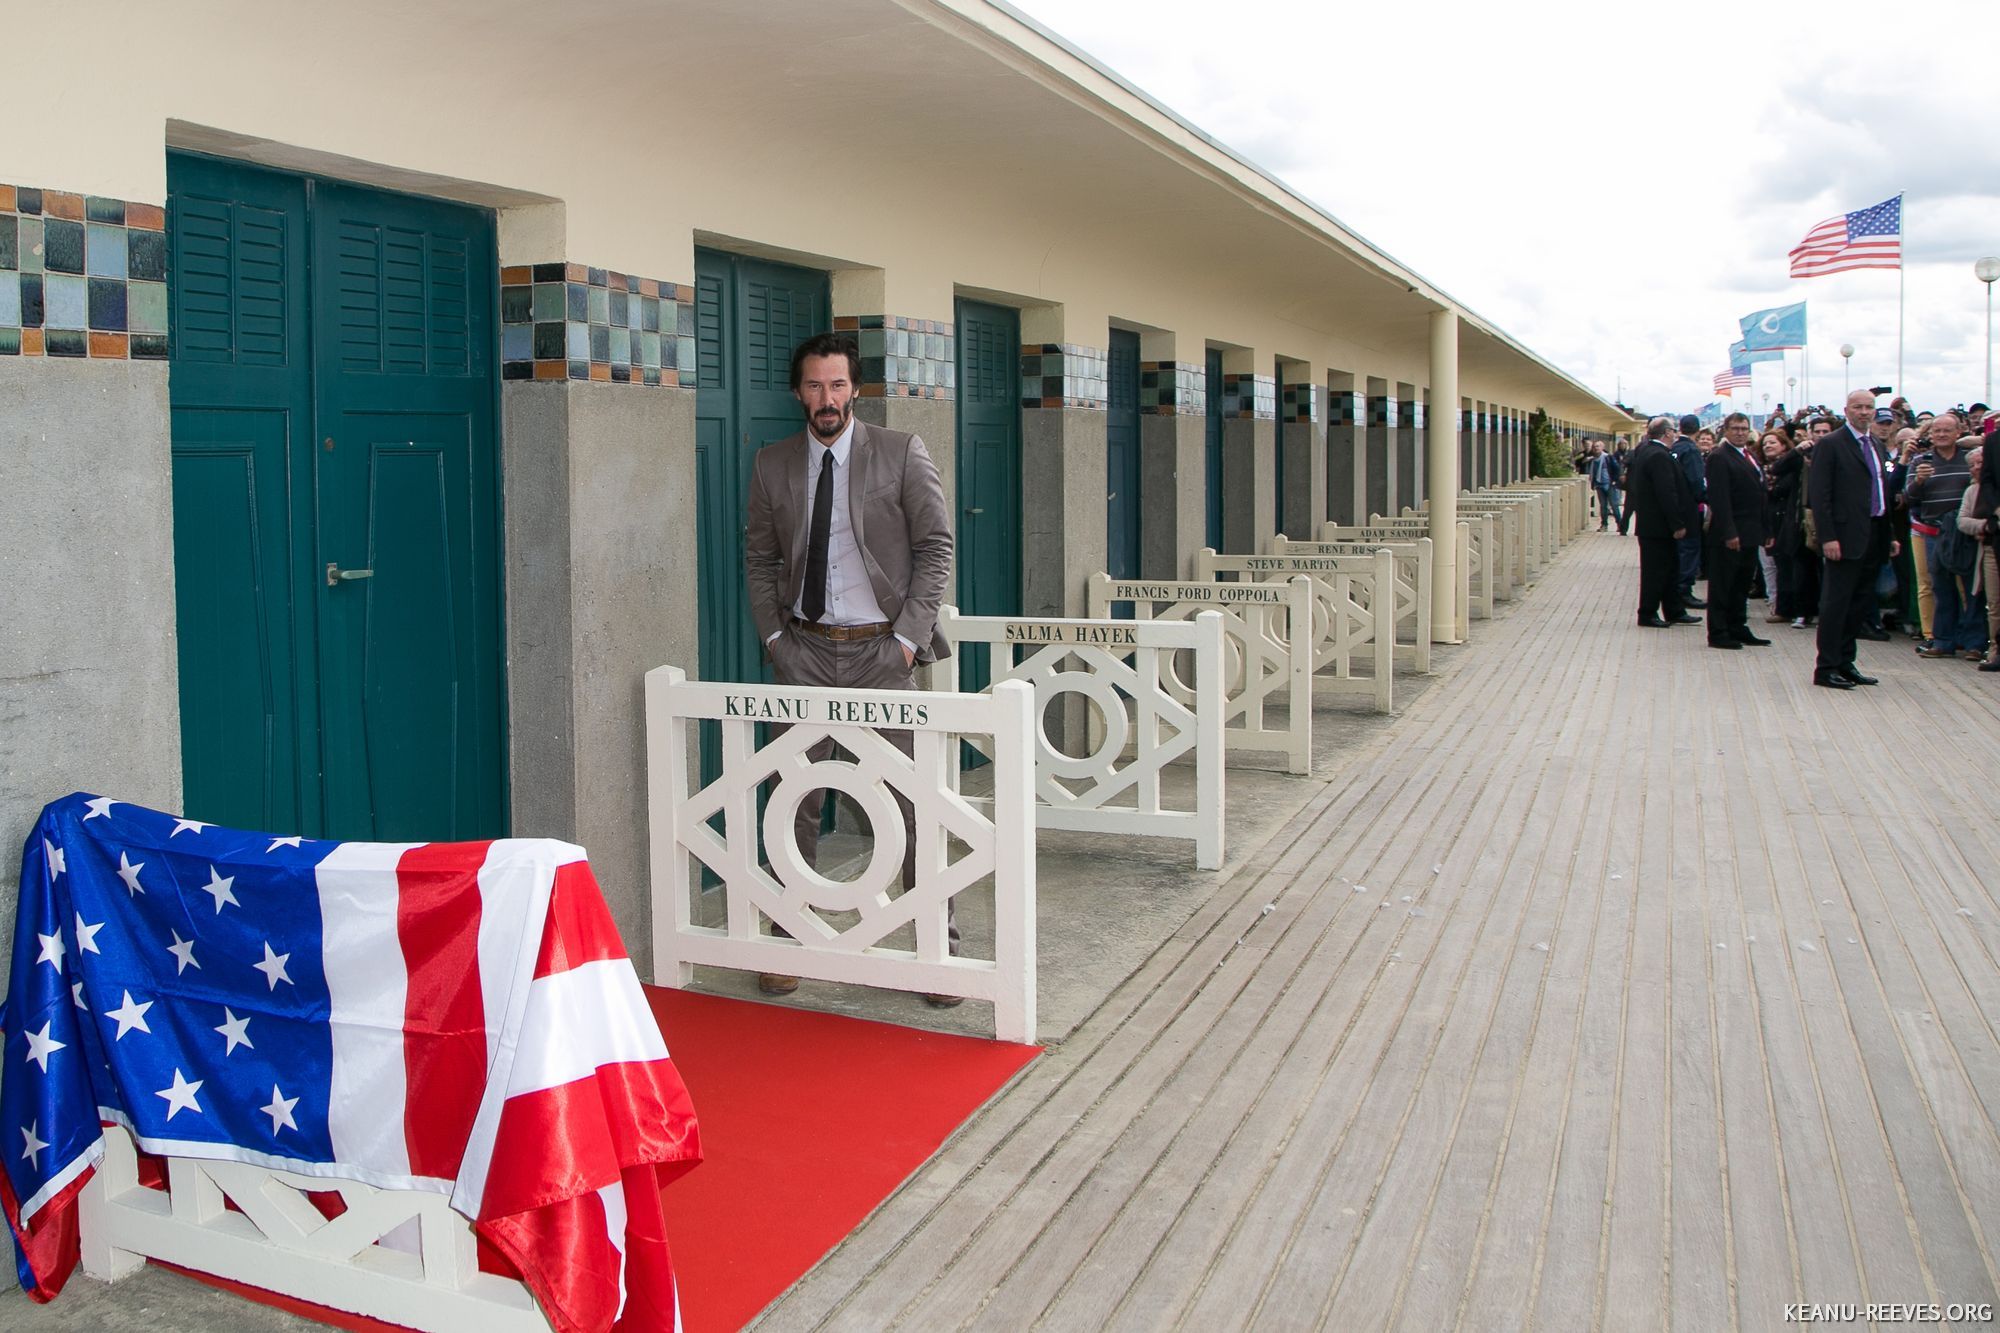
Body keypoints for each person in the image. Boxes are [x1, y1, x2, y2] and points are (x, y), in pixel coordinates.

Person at [744, 332, 956, 1002]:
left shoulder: (900, 453)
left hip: (880, 653)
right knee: (793, 797)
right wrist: (776, 638)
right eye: (814, 385)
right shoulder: (772, 463)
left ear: (854, 389)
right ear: (797, 391)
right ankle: (786, 935)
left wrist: (905, 640)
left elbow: (935, 546)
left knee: (910, 799)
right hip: (803, 651)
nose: (826, 398)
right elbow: (757, 557)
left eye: (837, 385)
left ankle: (936, 943)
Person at [1808, 389, 1901, 689]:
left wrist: (1890, 535)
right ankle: (1827, 667)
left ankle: (1846, 662)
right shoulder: (1832, 444)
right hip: (1844, 536)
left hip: (1874, 532)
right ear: (1846, 410)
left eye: (1869, 407)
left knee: (1860, 602)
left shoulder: (1875, 443)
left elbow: (1881, 491)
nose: (1864, 412)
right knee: (1837, 603)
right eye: (1858, 407)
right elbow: (1820, 496)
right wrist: (1828, 537)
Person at [1906, 412, 1985, 660]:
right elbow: (1907, 498)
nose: (1941, 435)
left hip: (1965, 533)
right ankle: (1943, 640)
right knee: (1941, 588)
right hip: (1933, 531)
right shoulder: (1920, 461)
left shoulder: (1969, 459)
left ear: (1958, 433)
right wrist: (1919, 481)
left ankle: (1974, 642)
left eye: (1946, 430)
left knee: (1973, 589)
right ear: (1930, 435)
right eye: (1936, 431)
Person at [1703, 413, 1772, 648]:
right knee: (1724, 585)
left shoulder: (1749, 455)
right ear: (1726, 430)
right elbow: (1719, 498)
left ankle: (1738, 626)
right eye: (1735, 429)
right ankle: (1719, 632)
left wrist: (1765, 531)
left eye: (1744, 428)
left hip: (1751, 531)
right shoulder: (1719, 457)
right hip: (1730, 534)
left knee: (1741, 584)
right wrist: (1729, 532)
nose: (1740, 432)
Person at [1627, 416, 1697, 627]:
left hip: (1655, 526)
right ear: (1667, 433)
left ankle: (1674, 609)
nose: (1675, 434)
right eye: (1673, 431)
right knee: (1655, 572)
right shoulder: (1658, 455)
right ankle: (1647, 612)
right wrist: (1677, 523)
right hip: (1658, 527)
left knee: (1670, 569)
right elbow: (1666, 492)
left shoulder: (1649, 451)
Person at [1670, 414, 1707, 608]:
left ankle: (1678, 589)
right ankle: (1684, 590)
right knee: (1690, 548)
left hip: (1676, 506)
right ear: (1698, 430)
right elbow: (1695, 480)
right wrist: (1707, 498)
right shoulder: (1691, 450)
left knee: (1681, 550)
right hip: (1689, 506)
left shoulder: (1674, 449)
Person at [1589, 441, 1624, 532]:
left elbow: (1617, 468)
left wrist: (1614, 481)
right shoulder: (1593, 460)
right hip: (1599, 485)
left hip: (1609, 484)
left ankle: (1620, 525)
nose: (1596, 448)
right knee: (1603, 506)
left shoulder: (1608, 457)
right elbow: (1593, 472)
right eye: (1594, 446)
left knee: (1614, 505)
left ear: (1602, 447)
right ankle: (1604, 525)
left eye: (1598, 446)